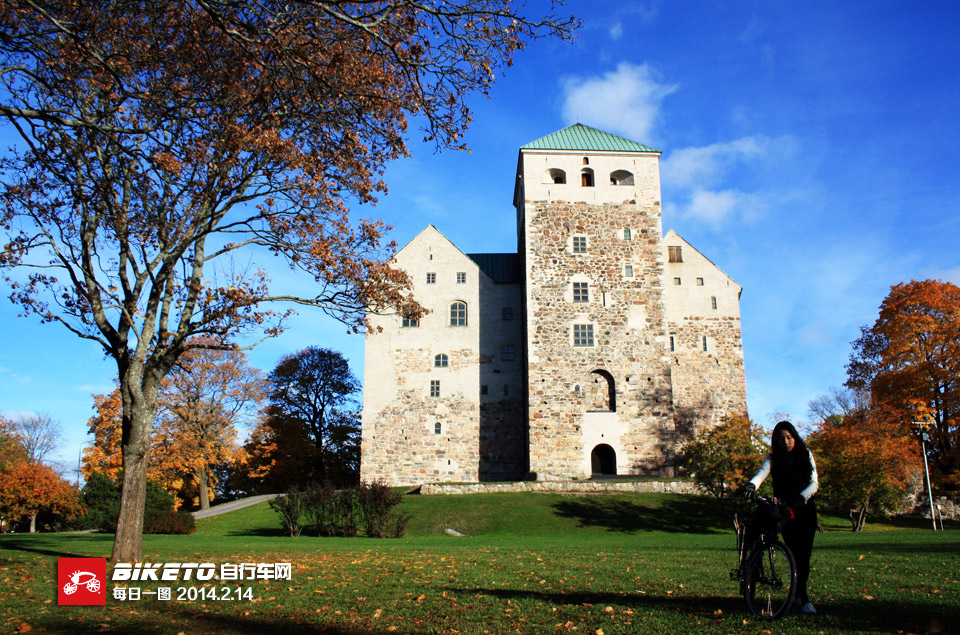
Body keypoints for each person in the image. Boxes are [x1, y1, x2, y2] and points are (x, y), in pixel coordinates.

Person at [742, 420, 819, 615]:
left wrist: (802, 497)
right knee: (795, 552)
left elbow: (814, 483)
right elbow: (761, 474)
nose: (785, 442)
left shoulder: (806, 455)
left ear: (794, 437)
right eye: (780, 439)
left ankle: (799, 594)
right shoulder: (773, 459)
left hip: (805, 509)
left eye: (788, 437)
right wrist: (751, 485)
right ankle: (803, 598)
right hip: (786, 511)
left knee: (805, 555)